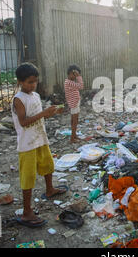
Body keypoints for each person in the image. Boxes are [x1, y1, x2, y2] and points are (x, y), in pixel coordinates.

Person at [12, 63, 67, 227]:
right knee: (28, 177)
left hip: (40, 139)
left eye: (35, 81)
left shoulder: (35, 95)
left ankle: (50, 189)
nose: (33, 85)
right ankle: (27, 212)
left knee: (48, 164)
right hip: (27, 144)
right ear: (20, 82)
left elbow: (38, 116)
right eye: (29, 82)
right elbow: (23, 122)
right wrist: (44, 113)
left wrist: (52, 112)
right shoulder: (18, 99)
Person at [64, 65, 84, 143]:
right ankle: (72, 138)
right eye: (75, 74)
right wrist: (79, 77)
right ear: (70, 73)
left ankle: (74, 135)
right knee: (75, 120)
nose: (75, 76)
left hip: (74, 103)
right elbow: (81, 86)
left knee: (74, 120)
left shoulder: (69, 82)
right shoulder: (69, 82)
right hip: (74, 104)